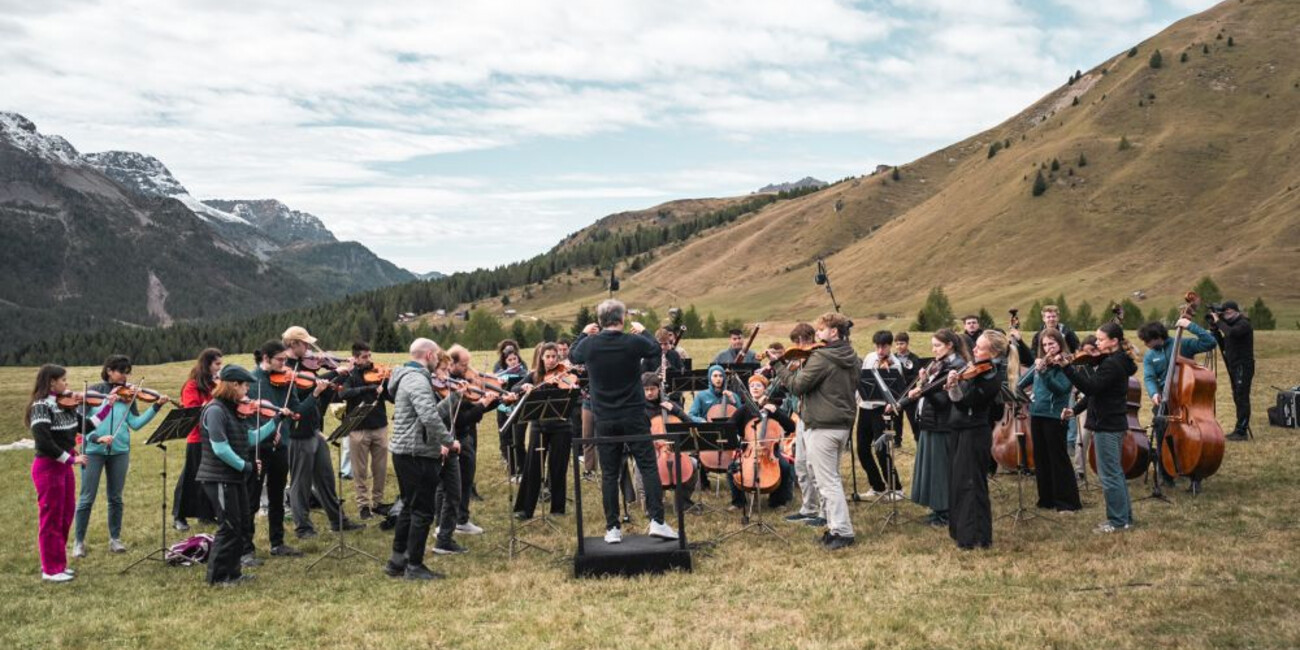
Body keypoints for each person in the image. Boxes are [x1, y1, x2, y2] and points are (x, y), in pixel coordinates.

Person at [568, 299, 679, 544]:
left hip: (604, 418)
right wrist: (644, 331)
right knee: (648, 466)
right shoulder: (633, 341)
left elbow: (573, 355)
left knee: (609, 472)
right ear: (623, 318)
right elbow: (655, 350)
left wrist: (583, 334)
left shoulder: (590, 344)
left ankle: (612, 528)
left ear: (600, 321)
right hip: (634, 415)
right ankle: (657, 522)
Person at [776, 312, 860, 551]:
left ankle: (843, 532)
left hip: (823, 425)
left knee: (828, 483)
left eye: (821, 330)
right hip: (842, 423)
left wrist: (778, 366)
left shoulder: (823, 357)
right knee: (831, 478)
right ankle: (834, 528)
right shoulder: (852, 356)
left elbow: (797, 385)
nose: (818, 334)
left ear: (834, 332)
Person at [73, 354, 170, 558]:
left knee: (116, 498)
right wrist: (97, 438)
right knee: (86, 498)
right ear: (109, 371)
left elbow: (135, 424)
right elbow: (81, 424)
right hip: (93, 451)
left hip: (119, 451)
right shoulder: (94, 393)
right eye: (121, 372)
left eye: (127, 373)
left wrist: (156, 406)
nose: (125, 377)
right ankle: (78, 542)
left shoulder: (128, 396)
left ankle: (115, 539)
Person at [196, 365, 285, 586]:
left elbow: (249, 438)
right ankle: (218, 577)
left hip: (232, 477)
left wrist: (275, 422)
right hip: (218, 477)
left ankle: (233, 573)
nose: (247, 390)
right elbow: (220, 448)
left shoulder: (231, 410)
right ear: (233, 385)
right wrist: (245, 466)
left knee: (241, 523)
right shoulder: (215, 410)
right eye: (245, 385)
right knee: (228, 527)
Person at [27, 365, 114, 582]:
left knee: (65, 516)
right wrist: (72, 459)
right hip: (48, 467)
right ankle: (50, 569)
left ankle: (59, 564)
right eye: (63, 380)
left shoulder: (65, 406)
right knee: (51, 518)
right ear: (50, 382)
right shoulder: (41, 406)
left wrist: (106, 406)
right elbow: (43, 441)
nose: (67, 385)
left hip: (63, 468)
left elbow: (87, 425)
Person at [281, 326, 364, 538]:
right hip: (298, 433)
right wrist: (333, 372)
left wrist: (341, 374)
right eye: (304, 344)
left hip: (315, 430)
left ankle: (338, 521)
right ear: (293, 345)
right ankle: (303, 527)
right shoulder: (286, 369)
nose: (309, 348)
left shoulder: (306, 365)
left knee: (326, 477)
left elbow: (323, 394)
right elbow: (306, 390)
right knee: (301, 482)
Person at [386, 338, 458, 580]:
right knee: (422, 511)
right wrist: (448, 441)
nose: (438, 360)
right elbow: (428, 416)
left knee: (408, 506)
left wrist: (454, 398)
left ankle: (397, 562)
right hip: (417, 453)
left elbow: (425, 415)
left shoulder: (409, 377)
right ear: (428, 355)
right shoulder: (417, 379)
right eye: (437, 356)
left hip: (406, 451)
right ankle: (414, 566)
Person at [1061, 323, 1139, 533]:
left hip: (1107, 424)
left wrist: (1067, 368)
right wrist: (1075, 410)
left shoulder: (1112, 364)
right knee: (1115, 473)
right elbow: (1097, 393)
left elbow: (1090, 387)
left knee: (1109, 474)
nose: (1096, 343)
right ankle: (1125, 518)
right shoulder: (1117, 361)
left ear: (1114, 341)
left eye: (1101, 339)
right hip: (1112, 422)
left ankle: (1117, 521)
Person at [247, 341, 314, 560]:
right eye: (281, 360)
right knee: (253, 498)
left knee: (277, 497)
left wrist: (314, 395)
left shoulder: (287, 381)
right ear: (266, 358)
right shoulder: (252, 381)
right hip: (259, 445)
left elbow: (295, 410)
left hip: (281, 444)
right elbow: (246, 415)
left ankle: (278, 543)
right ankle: (246, 548)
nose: (285, 365)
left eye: (286, 360)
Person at [894, 329, 967, 527]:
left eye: (937, 345)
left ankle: (946, 511)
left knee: (941, 471)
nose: (933, 350)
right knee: (932, 469)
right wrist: (924, 384)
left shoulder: (956, 366)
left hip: (942, 424)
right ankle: (937, 508)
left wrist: (925, 390)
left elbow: (943, 402)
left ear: (950, 345)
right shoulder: (939, 364)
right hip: (930, 423)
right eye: (932, 345)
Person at [945, 330, 1007, 550]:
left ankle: (975, 536)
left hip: (974, 432)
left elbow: (966, 402)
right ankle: (962, 531)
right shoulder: (974, 369)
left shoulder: (991, 375)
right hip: (961, 428)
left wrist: (953, 388)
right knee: (959, 482)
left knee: (971, 484)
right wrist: (954, 383)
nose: (973, 349)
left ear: (994, 352)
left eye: (979, 348)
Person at [1138, 317, 1216, 490]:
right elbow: (1149, 377)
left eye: (1148, 341)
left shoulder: (1183, 344)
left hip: (1185, 401)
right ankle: (1166, 474)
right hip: (1164, 401)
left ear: (1158, 337)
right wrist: (1154, 393)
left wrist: (1190, 325)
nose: (1146, 345)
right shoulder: (1150, 356)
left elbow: (1210, 342)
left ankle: (1195, 475)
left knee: (1194, 437)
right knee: (1161, 436)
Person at [1017, 329, 1082, 513]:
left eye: (1051, 344)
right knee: (1041, 458)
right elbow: (1021, 383)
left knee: (1057, 459)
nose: (1048, 348)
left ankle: (1068, 502)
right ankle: (1046, 499)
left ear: (1060, 344)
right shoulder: (1041, 362)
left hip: (1055, 416)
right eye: (1044, 345)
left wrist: (1044, 373)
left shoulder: (1066, 364)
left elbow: (1061, 389)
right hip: (1037, 414)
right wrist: (1025, 395)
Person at [512, 343, 575, 521]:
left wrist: (570, 382)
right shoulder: (534, 376)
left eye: (554, 356)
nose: (551, 360)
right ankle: (525, 509)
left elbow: (576, 386)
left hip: (562, 427)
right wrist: (523, 388)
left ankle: (557, 508)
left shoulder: (564, 373)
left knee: (558, 468)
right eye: (547, 357)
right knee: (532, 467)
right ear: (541, 357)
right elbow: (514, 389)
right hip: (539, 427)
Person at [445, 345, 497, 535]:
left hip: (467, 434)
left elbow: (475, 409)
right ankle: (456, 521)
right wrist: (483, 404)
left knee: (467, 478)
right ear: (452, 363)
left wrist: (496, 400)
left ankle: (461, 518)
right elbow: (463, 417)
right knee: (455, 482)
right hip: (455, 436)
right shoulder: (448, 387)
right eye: (465, 365)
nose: (469, 369)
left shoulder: (463, 381)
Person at [338, 340, 391, 520]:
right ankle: (363, 505)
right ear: (355, 358)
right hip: (358, 428)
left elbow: (390, 398)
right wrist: (368, 388)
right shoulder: (350, 375)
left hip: (380, 426)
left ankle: (378, 502)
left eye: (370, 355)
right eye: (364, 357)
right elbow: (343, 393)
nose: (369, 360)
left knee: (380, 468)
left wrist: (388, 385)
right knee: (359, 470)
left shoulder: (378, 373)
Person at [726, 374, 796, 510]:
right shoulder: (744, 409)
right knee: (731, 469)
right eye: (752, 386)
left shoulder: (772, 408)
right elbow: (729, 427)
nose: (755, 388)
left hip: (770, 450)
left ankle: (777, 501)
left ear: (765, 389)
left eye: (758, 385)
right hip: (749, 449)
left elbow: (791, 427)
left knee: (786, 467)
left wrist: (777, 413)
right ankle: (738, 502)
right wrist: (739, 440)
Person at [780, 323, 825, 527]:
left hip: (814, 416)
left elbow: (802, 387)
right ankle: (808, 507)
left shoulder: (817, 359)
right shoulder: (801, 362)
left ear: (806, 340)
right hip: (800, 415)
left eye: (799, 342)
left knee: (814, 466)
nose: (798, 347)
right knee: (800, 464)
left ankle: (824, 512)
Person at [174, 348, 222, 531]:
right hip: (197, 437)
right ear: (207, 364)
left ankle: (206, 514)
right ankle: (179, 515)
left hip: (213, 437)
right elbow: (192, 412)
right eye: (217, 364)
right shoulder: (192, 386)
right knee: (191, 476)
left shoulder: (214, 384)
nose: (219, 368)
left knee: (210, 477)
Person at [853, 331, 902, 500]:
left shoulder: (895, 364)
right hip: (865, 408)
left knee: (882, 450)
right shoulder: (869, 357)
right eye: (878, 346)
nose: (881, 351)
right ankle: (877, 486)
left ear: (890, 346)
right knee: (862, 449)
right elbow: (864, 381)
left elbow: (897, 390)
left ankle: (896, 488)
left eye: (884, 347)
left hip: (882, 410)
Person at [1209, 301, 1255, 440]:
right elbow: (1224, 343)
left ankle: (1241, 431)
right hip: (1233, 364)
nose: (1226, 315)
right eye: (1224, 313)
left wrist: (1218, 321)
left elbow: (1231, 333)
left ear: (1236, 311)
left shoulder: (1243, 323)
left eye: (1228, 312)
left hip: (1243, 365)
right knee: (1237, 396)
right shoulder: (1230, 325)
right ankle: (1239, 428)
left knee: (1242, 397)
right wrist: (1214, 330)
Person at [1066, 336, 1101, 479]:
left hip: (1105, 406)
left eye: (1092, 350)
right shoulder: (1081, 366)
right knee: (1082, 437)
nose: (1089, 355)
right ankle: (1080, 470)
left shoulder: (1106, 364)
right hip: (1086, 404)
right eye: (1086, 352)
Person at [494, 341, 529, 478]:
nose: (513, 362)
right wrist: (499, 384)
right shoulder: (500, 374)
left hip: (519, 410)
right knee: (506, 440)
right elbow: (497, 395)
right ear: (505, 361)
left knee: (518, 441)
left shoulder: (524, 373)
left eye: (515, 359)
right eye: (510, 360)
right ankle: (512, 470)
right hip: (504, 410)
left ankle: (524, 469)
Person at [894, 332, 922, 445]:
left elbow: (916, 375)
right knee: (896, 418)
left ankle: (918, 439)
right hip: (896, 393)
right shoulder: (892, 358)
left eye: (902, 343)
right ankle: (897, 441)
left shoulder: (914, 358)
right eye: (897, 344)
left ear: (907, 343)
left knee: (913, 418)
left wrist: (904, 374)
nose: (899, 346)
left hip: (910, 393)